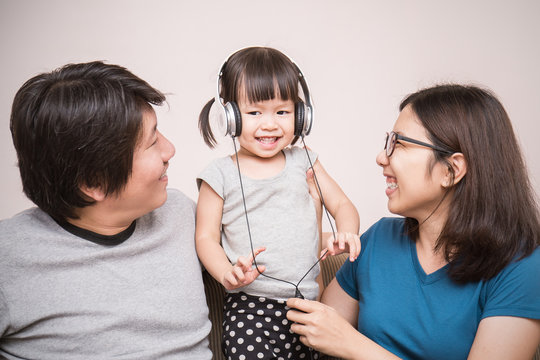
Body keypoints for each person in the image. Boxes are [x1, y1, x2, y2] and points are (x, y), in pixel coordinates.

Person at [287, 84, 540, 359]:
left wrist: (354, 346)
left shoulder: (522, 268)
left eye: (399, 144)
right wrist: (312, 212)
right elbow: (317, 328)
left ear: (451, 170)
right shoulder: (379, 239)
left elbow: (341, 338)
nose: (381, 157)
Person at [0, 61, 212, 359]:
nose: (170, 150)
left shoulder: (182, 215)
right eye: (152, 143)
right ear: (94, 182)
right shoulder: (8, 258)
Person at [195, 46, 361, 359]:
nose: (270, 124)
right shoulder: (220, 174)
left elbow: (342, 206)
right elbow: (205, 238)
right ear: (229, 116)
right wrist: (226, 273)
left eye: (282, 112)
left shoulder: (306, 161)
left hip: (311, 307)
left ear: (300, 115)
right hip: (252, 310)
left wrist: (347, 231)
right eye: (255, 113)